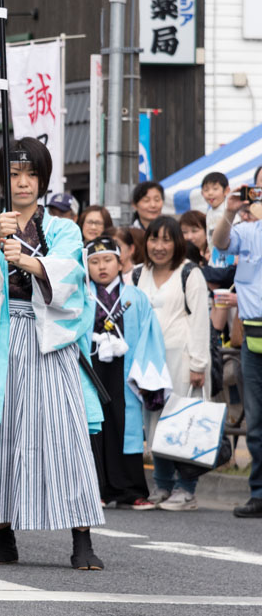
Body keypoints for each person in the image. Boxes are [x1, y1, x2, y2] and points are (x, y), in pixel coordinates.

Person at [0, 137, 106, 571]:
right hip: (0, 342)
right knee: (0, 437)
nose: (22, 183)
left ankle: (82, 538)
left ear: (43, 180)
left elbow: (71, 276)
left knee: (64, 436)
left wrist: (29, 260)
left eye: (31, 174)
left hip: (48, 341)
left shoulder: (63, 228)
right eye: (15, 174)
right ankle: (4, 536)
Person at [84, 236, 171, 509]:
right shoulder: (82, 297)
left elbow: (149, 335)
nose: (102, 267)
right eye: (94, 261)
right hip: (91, 367)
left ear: (120, 262)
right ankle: (96, 488)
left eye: (108, 260)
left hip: (126, 368)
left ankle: (131, 489)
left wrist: (145, 375)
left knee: (126, 425)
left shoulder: (135, 297)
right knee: (95, 425)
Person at [133, 216, 211, 511]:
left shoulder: (190, 273)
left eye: (167, 239)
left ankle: (186, 488)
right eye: (154, 239)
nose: (159, 246)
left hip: (183, 360)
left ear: (177, 242)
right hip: (149, 362)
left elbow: (200, 321)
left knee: (183, 423)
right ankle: (163, 485)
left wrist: (199, 365)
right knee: (156, 423)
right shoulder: (140, 273)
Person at [212, 185, 262, 517]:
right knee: (255, 423)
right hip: (253, 336)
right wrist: (229, 211)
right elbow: (219, 243)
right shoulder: (247, 228)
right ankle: (259, 493)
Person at [200, 171, 230, 245]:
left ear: (226, 191)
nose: (210, 193)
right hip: (214, 252)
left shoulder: (229, 209)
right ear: (202, 193)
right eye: (206, 190)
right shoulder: (209, 212)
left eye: (215, 189)